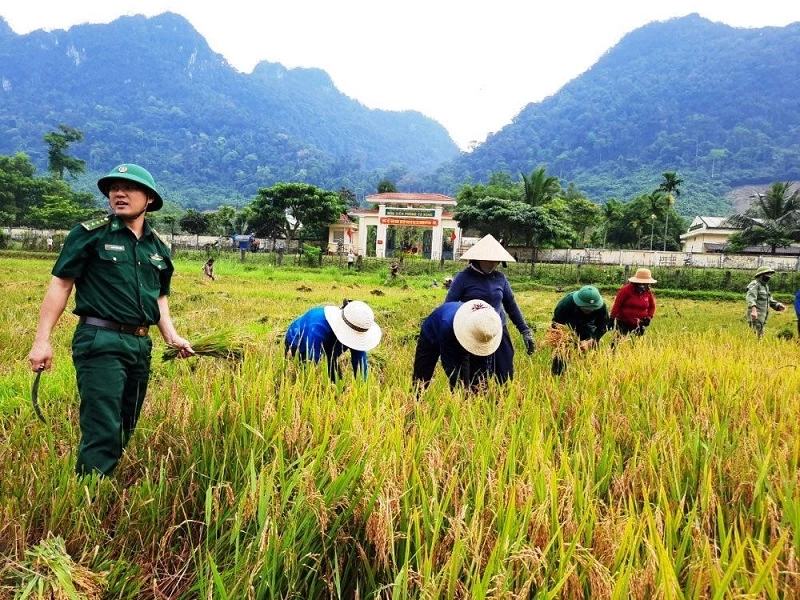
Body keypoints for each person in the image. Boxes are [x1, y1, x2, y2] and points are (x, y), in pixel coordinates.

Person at [26, 163, 194, 477]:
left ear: (149, 199)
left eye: (129, 188)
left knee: (125, 424)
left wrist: (171, 336)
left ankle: (99, 484)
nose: (119, 193)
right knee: (103, 427)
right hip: (99, 339)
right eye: (113, 188)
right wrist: (42, 340)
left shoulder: (158, 248)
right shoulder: (89, 234)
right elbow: (61, 284)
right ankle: (86, 501)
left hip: (140, 344)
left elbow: (159, 296)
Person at [445, 234, 534, 383]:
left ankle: (502, 402)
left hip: (498, 329)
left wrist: (525, 330)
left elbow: (511, 305)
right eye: (489, 260)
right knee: (477, 377)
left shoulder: (500, 278)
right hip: (473, 331)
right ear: (478, 259)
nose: (493, 263)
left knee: (505, 372)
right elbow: (448, 305)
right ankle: (476, 402)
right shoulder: (463, 278)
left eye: (496, 260)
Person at [413, 299, 503, 393]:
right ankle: (416, 399)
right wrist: (460, 389)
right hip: (433, 333)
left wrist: (481, 386)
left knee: (475, 376)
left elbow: (485, 364)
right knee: (422, 373)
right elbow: (449, 363)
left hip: (470, 329)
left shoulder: (490, 328)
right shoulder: (447, 326)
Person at [285, 299, 382, 381]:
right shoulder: (317, 326)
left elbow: (360, 360)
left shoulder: (356, 324)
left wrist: (362, 385)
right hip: (300, 342)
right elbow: (311, 361)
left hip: (331, 344)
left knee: (336, 381)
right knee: (306, 375)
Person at [550, 285, 609, 375]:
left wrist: (591, 341)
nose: (589, 311)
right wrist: (564, 340)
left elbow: (603, 327)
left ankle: (587, 375)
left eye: (592, 309)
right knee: (561, 353)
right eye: (585, 308)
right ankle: (557, 375)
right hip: (567, 328)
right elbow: (556, 324)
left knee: (592, 354)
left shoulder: (601, 306)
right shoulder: (565, 304)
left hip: (587, 327)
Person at [609, 268, 657, 336]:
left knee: (636, 344)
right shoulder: (625, 290)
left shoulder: (648, 292)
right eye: (641, 283)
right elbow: (617, 305)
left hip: (640, 323)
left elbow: (652, 306)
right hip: (623, 322)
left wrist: (649, 317)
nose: (643, 285)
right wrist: (612, 318)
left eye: (646, 283)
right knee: (618, 342)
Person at [746, 265, 785, 338]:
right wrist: (754, 311)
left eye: (770, 274)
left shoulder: (765, 286)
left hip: (763, 315)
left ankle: (759, 347)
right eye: (767, 274)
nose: (769, 276)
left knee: (760, 334)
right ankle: (753, 348)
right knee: (755, 334)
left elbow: (769, 299)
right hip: (756, 315)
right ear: (760, 275)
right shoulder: (754, 284)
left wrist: (777, 305)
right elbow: (751, 298)